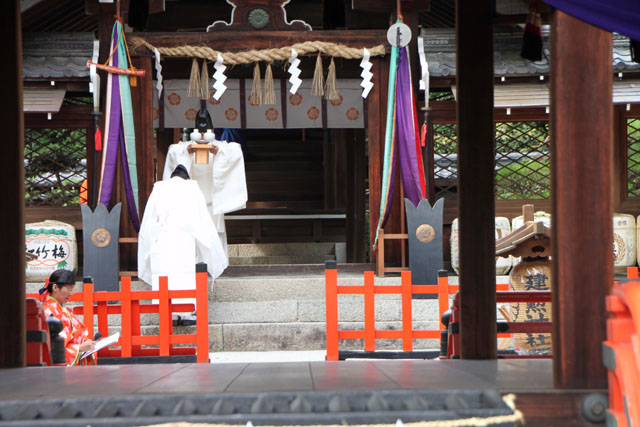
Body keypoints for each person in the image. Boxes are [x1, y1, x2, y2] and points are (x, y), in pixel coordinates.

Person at [138, 165, 227, 304]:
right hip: (185, 239)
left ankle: (166, 312)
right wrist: (212, 257)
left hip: (163, 239)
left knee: (164, 276)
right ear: (187, 178)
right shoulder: (192, 187)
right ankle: (187, 312)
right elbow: (203, 219)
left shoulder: (159, 188)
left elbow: (148, 223)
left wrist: (148, 246)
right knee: (185, 276)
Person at [39, 269, 97, 366]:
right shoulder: (47, 312)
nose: (72, 293)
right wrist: (79, 348)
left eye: (73, 289)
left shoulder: (67, 311)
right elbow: (53, 346)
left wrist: (87, 342)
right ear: (55, 287)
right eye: (69, 289)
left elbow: (81, 331)